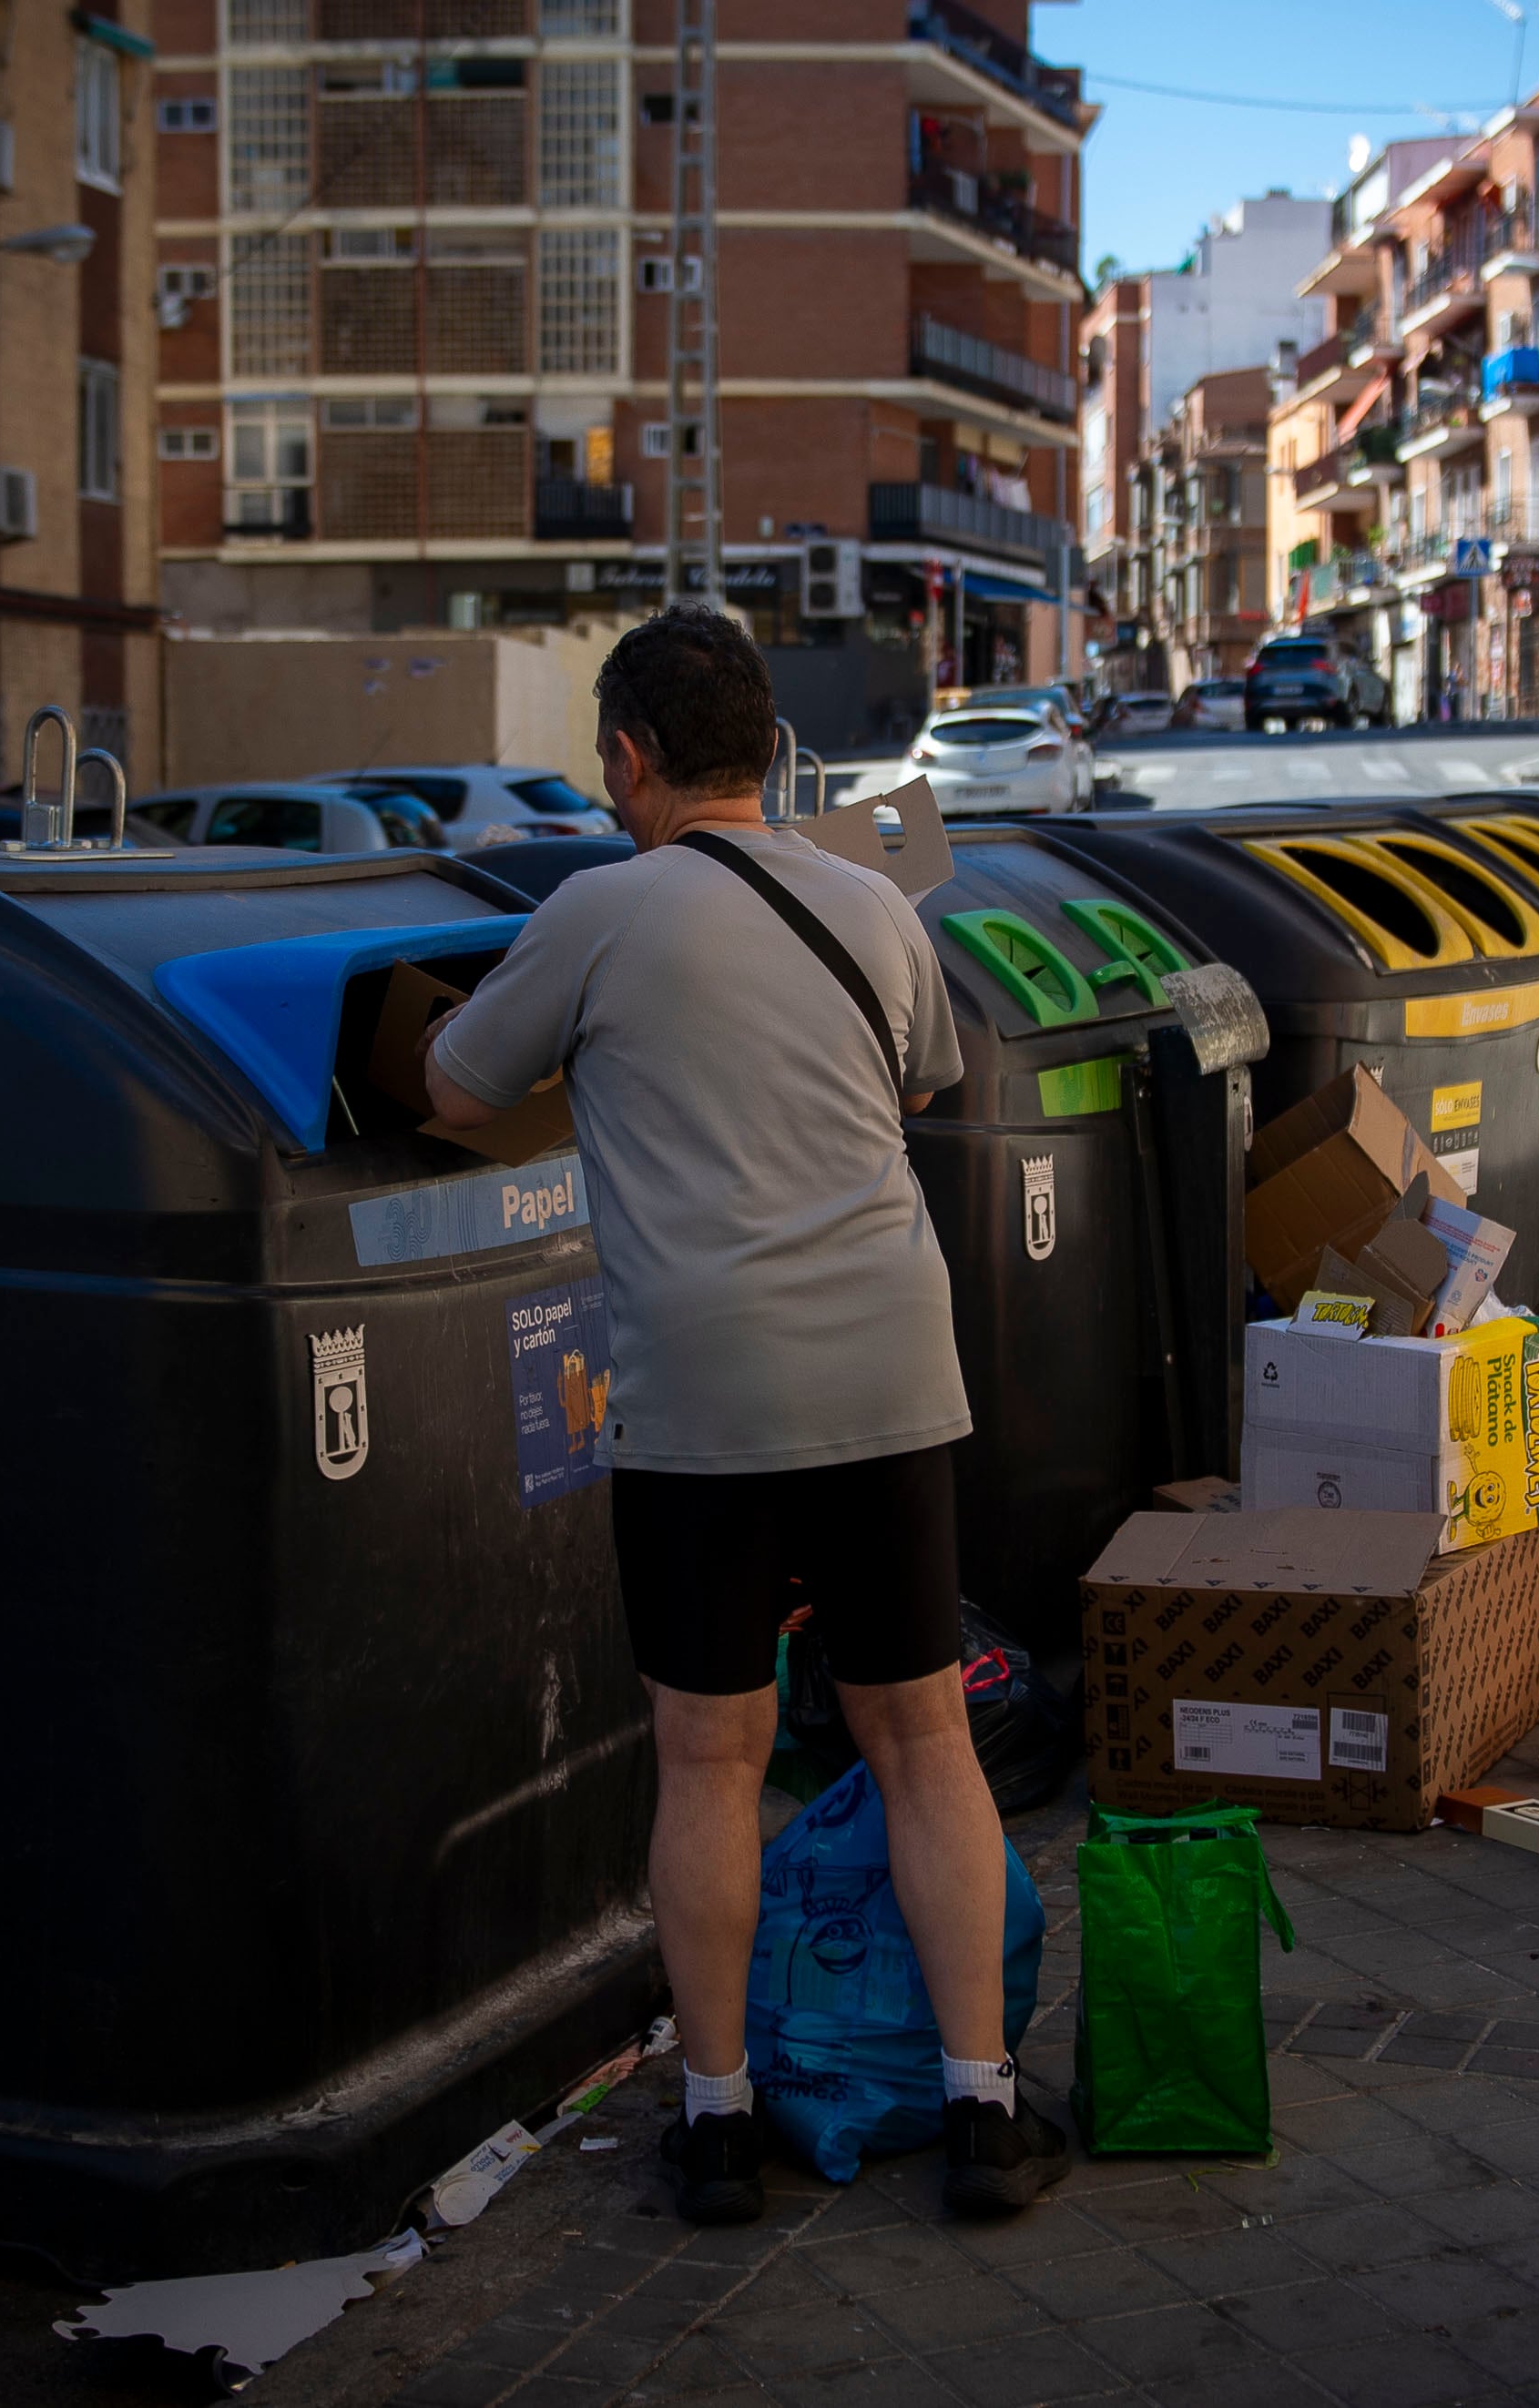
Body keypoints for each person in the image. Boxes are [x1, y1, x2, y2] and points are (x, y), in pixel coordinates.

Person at [423, 605, 1069, 2226]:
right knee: (923, 1739)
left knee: (708, 1758)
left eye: (604, 761)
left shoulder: (596, 912)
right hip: (883, 1367)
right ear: (768, 748)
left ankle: (716, 2123)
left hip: (703, 1394)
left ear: (632, 759)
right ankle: (983, 2107)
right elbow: (922, 1075)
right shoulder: (872, 897)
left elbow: (450, 1086)